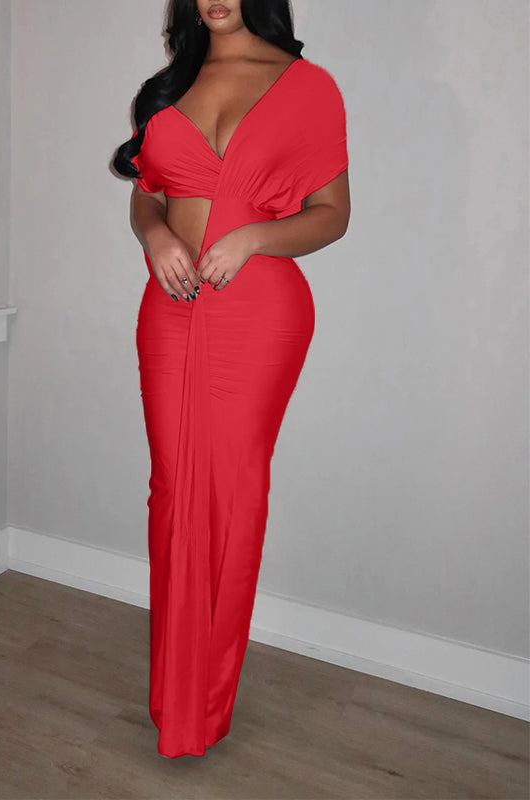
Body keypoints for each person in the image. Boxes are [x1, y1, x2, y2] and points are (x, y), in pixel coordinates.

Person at [113, 0, 350, 759]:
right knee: (174, 492)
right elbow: (146, 193)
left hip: (260, 311)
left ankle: (206, 705)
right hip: (170, 305)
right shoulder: (171, 85)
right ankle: (174, 698)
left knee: (233, 495)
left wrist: (252, 237)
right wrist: (155, 236)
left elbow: (332, 214)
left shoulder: (308, 86)